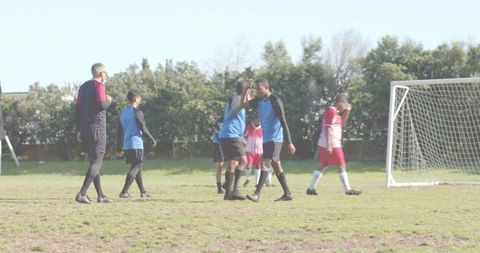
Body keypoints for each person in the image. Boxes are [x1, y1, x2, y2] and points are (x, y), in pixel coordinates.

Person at [241, 78, 296, 202]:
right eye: (256, 90)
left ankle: (257, 194)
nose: (258, 92)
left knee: (264, 164)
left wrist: (290, 142)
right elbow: (243, 104)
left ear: (266, 87)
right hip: (266, 139)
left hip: (275, 138)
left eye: (260, 89)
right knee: (276, 166)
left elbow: (283, 121)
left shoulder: (276, 101)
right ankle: (287, 193)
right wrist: (246, 89)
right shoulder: (259, 101)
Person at [306, 95, 361, 196]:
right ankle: (348, 189)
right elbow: (328, 128)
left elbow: (341, 122)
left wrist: (348, 111)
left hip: (329, 143)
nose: (345, 107)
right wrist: (329, 145)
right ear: (340, 103)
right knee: (341, 165)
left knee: (323, 165)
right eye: (344, 105)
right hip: (332, 144)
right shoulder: (331, 110)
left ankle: (311, 188)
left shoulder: (335, 113)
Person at [75, 63, 113, 204]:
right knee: (97, 162)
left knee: (93, 163)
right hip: (97, 128)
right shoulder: (100, 86)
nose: (106, 75)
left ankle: (101, 196)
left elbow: (77, 110)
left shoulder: (83, 87)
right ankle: (82, 193)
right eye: (105, 72)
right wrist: (108, 101)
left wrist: (78, 129)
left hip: (85, 129)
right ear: (101, 73)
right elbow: (101, 105)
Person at [117, 90, 157, 198]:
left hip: (127, 145)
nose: (140, 100)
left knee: (137, 167)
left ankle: (143, 192)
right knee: (136, 166)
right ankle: (124, 192)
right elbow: (143, 127)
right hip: (136, 144)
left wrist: (119, 147)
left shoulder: (123, 114)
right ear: (135, 99)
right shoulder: (137, 112)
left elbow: (119, 132)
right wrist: (152, 139)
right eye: (139, 98)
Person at [219, 81, 249, 200]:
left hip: (227, 135)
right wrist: (243, 104)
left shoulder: (233, 98)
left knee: (232, 163)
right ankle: (235, 190)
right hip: (231, 135)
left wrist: (241, 137)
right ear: (245, 91)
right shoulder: (237, 99)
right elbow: (232, 111)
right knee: (243, 161)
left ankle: (228, 194)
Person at [243, 118, 273, 187]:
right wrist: (244, 142)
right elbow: (244, 136)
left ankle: (256, 183)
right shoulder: (249, 127)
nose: (259, 122)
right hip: (250, 151)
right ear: (253, 121)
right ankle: (248, 178)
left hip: (260, 151)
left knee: (258, 166)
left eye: (260, 121)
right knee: (248, 166)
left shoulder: (263, 128)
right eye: (257, 121)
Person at [211, 116, 225, 194]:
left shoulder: (232, 118)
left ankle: (227, 183)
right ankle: (219, 188)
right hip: (219, 145)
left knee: (235, 163)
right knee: (219, 166)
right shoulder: (219, 121)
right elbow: (218, 133)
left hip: (229, 143)